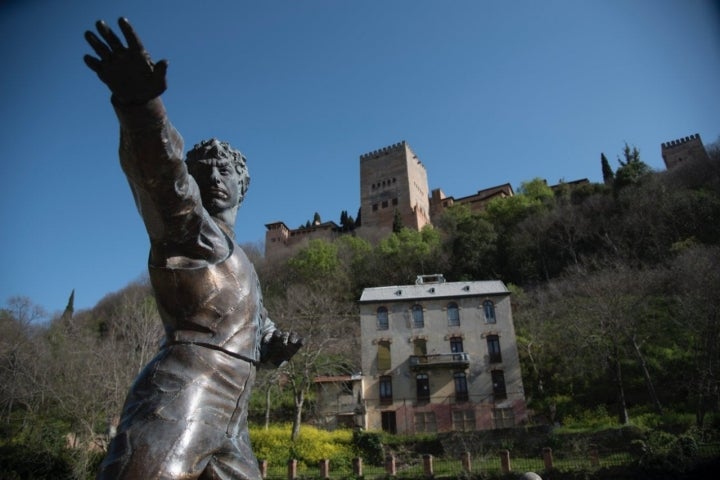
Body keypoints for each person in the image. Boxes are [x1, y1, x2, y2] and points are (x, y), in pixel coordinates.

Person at [84, 17, 302, 479]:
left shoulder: (243, 261)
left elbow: (252, 325)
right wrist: (141, 106)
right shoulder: (188, 229)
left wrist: (271, 343)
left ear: (243, 186)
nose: (217, 179)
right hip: (186, 391)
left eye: (227, 172)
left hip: (233, 415)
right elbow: (161, 177)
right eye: (205, 170)